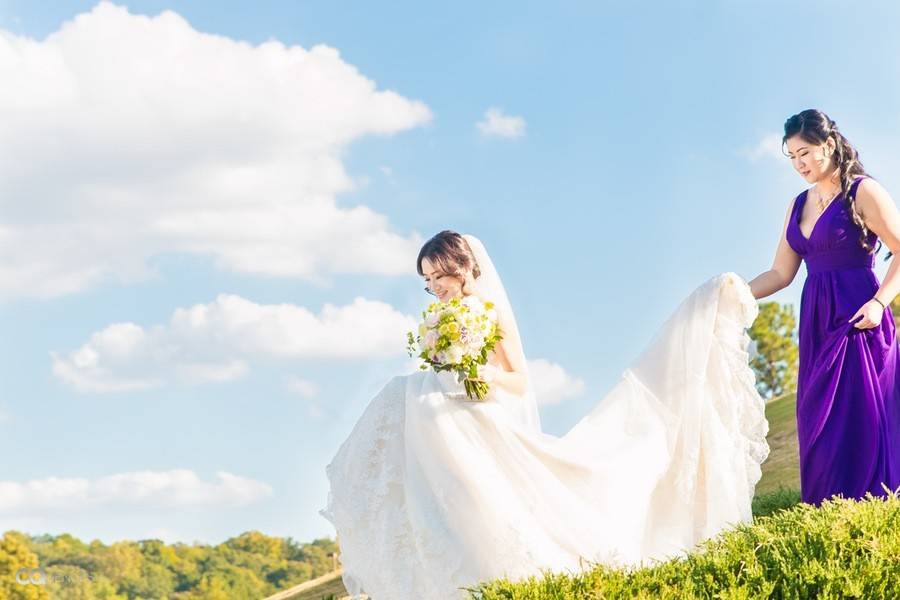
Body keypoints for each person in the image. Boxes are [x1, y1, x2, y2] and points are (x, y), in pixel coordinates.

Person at [321, 230, 769, 599]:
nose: (435, 285)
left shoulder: (489, 313)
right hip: (438, 420)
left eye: (440, 274)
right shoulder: (441, 315)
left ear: (464, 267)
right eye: (427, 279)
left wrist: (472, 373)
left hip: (472, 418)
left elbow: (517, 380)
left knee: (480, 500)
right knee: (402, 410)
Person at [747, 109, 900, 505]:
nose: (798, 164)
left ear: (828, 145)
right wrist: (735, 293)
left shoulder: (862, 191)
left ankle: (874, 509)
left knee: (862, 419)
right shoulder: (797, 205)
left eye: (805, 153)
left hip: (859, 318)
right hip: (816, 322)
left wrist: (880, 303)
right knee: (818, 421)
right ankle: (825, 510)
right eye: (792, 157)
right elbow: (780, 273)